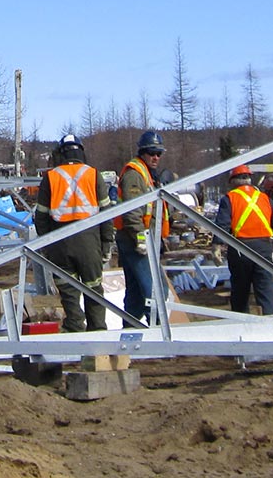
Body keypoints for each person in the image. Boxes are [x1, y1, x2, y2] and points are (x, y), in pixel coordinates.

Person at [30, 133, 111, 332]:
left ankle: (75, 331)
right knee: (94, 290)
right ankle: (98, 336)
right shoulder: (93, 174)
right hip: (90, 243)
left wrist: (47, 246)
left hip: (60, 243)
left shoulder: (51, 177)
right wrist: (107, 244)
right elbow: (108, 214)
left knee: (68, 292)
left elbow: (40, 217)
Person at [115, 130, 170, 325]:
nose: (155, 157)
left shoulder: (147, 175)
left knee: (137, 294)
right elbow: (132, 213)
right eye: (151, 152)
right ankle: (158, 331)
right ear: (142, 152)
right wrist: (141, 239)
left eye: (159, 153)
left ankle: (130, 334)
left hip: (143, 239)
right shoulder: (134, 175)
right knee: (156, 290)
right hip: (136, 241)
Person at [217, 165, 273, 315]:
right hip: (264, 248)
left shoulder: (230, 198)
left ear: (233, 181)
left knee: (240, 292)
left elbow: (222, 224)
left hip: (240, 249)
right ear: (249, 179)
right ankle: (270, 325)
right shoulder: (264, 198)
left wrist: (216, 245)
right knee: (265, 290)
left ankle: (241, 326)